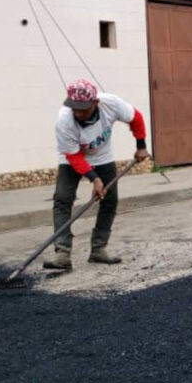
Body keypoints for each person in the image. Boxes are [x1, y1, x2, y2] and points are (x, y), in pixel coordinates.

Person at [43, 78, 149, 271]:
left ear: (95, 103)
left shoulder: (111, 103)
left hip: (102, 156)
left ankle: (99, 249)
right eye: (75, 108)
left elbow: (136, 118)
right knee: (62, 199)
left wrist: (141, 146)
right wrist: (94, 179)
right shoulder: (64, 121)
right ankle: (63, 253)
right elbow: (74, 157)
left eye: (83, 109)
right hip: (71, 158)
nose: (78, 113)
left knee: (110, 200)